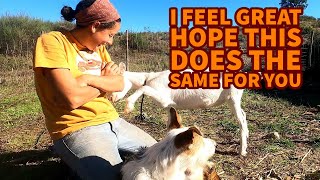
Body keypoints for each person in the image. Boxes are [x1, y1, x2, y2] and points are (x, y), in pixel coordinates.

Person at [32, 0, 157, 179]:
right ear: (95, 26)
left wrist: (88, 79)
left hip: (114, 121)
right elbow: (72, 98)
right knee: (112, 177)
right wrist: (104, 81)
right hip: (77, 128)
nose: (110, 42)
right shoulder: (53, 42)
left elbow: (120, 84)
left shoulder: (99, 49)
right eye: (110, 35)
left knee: (160, 156)